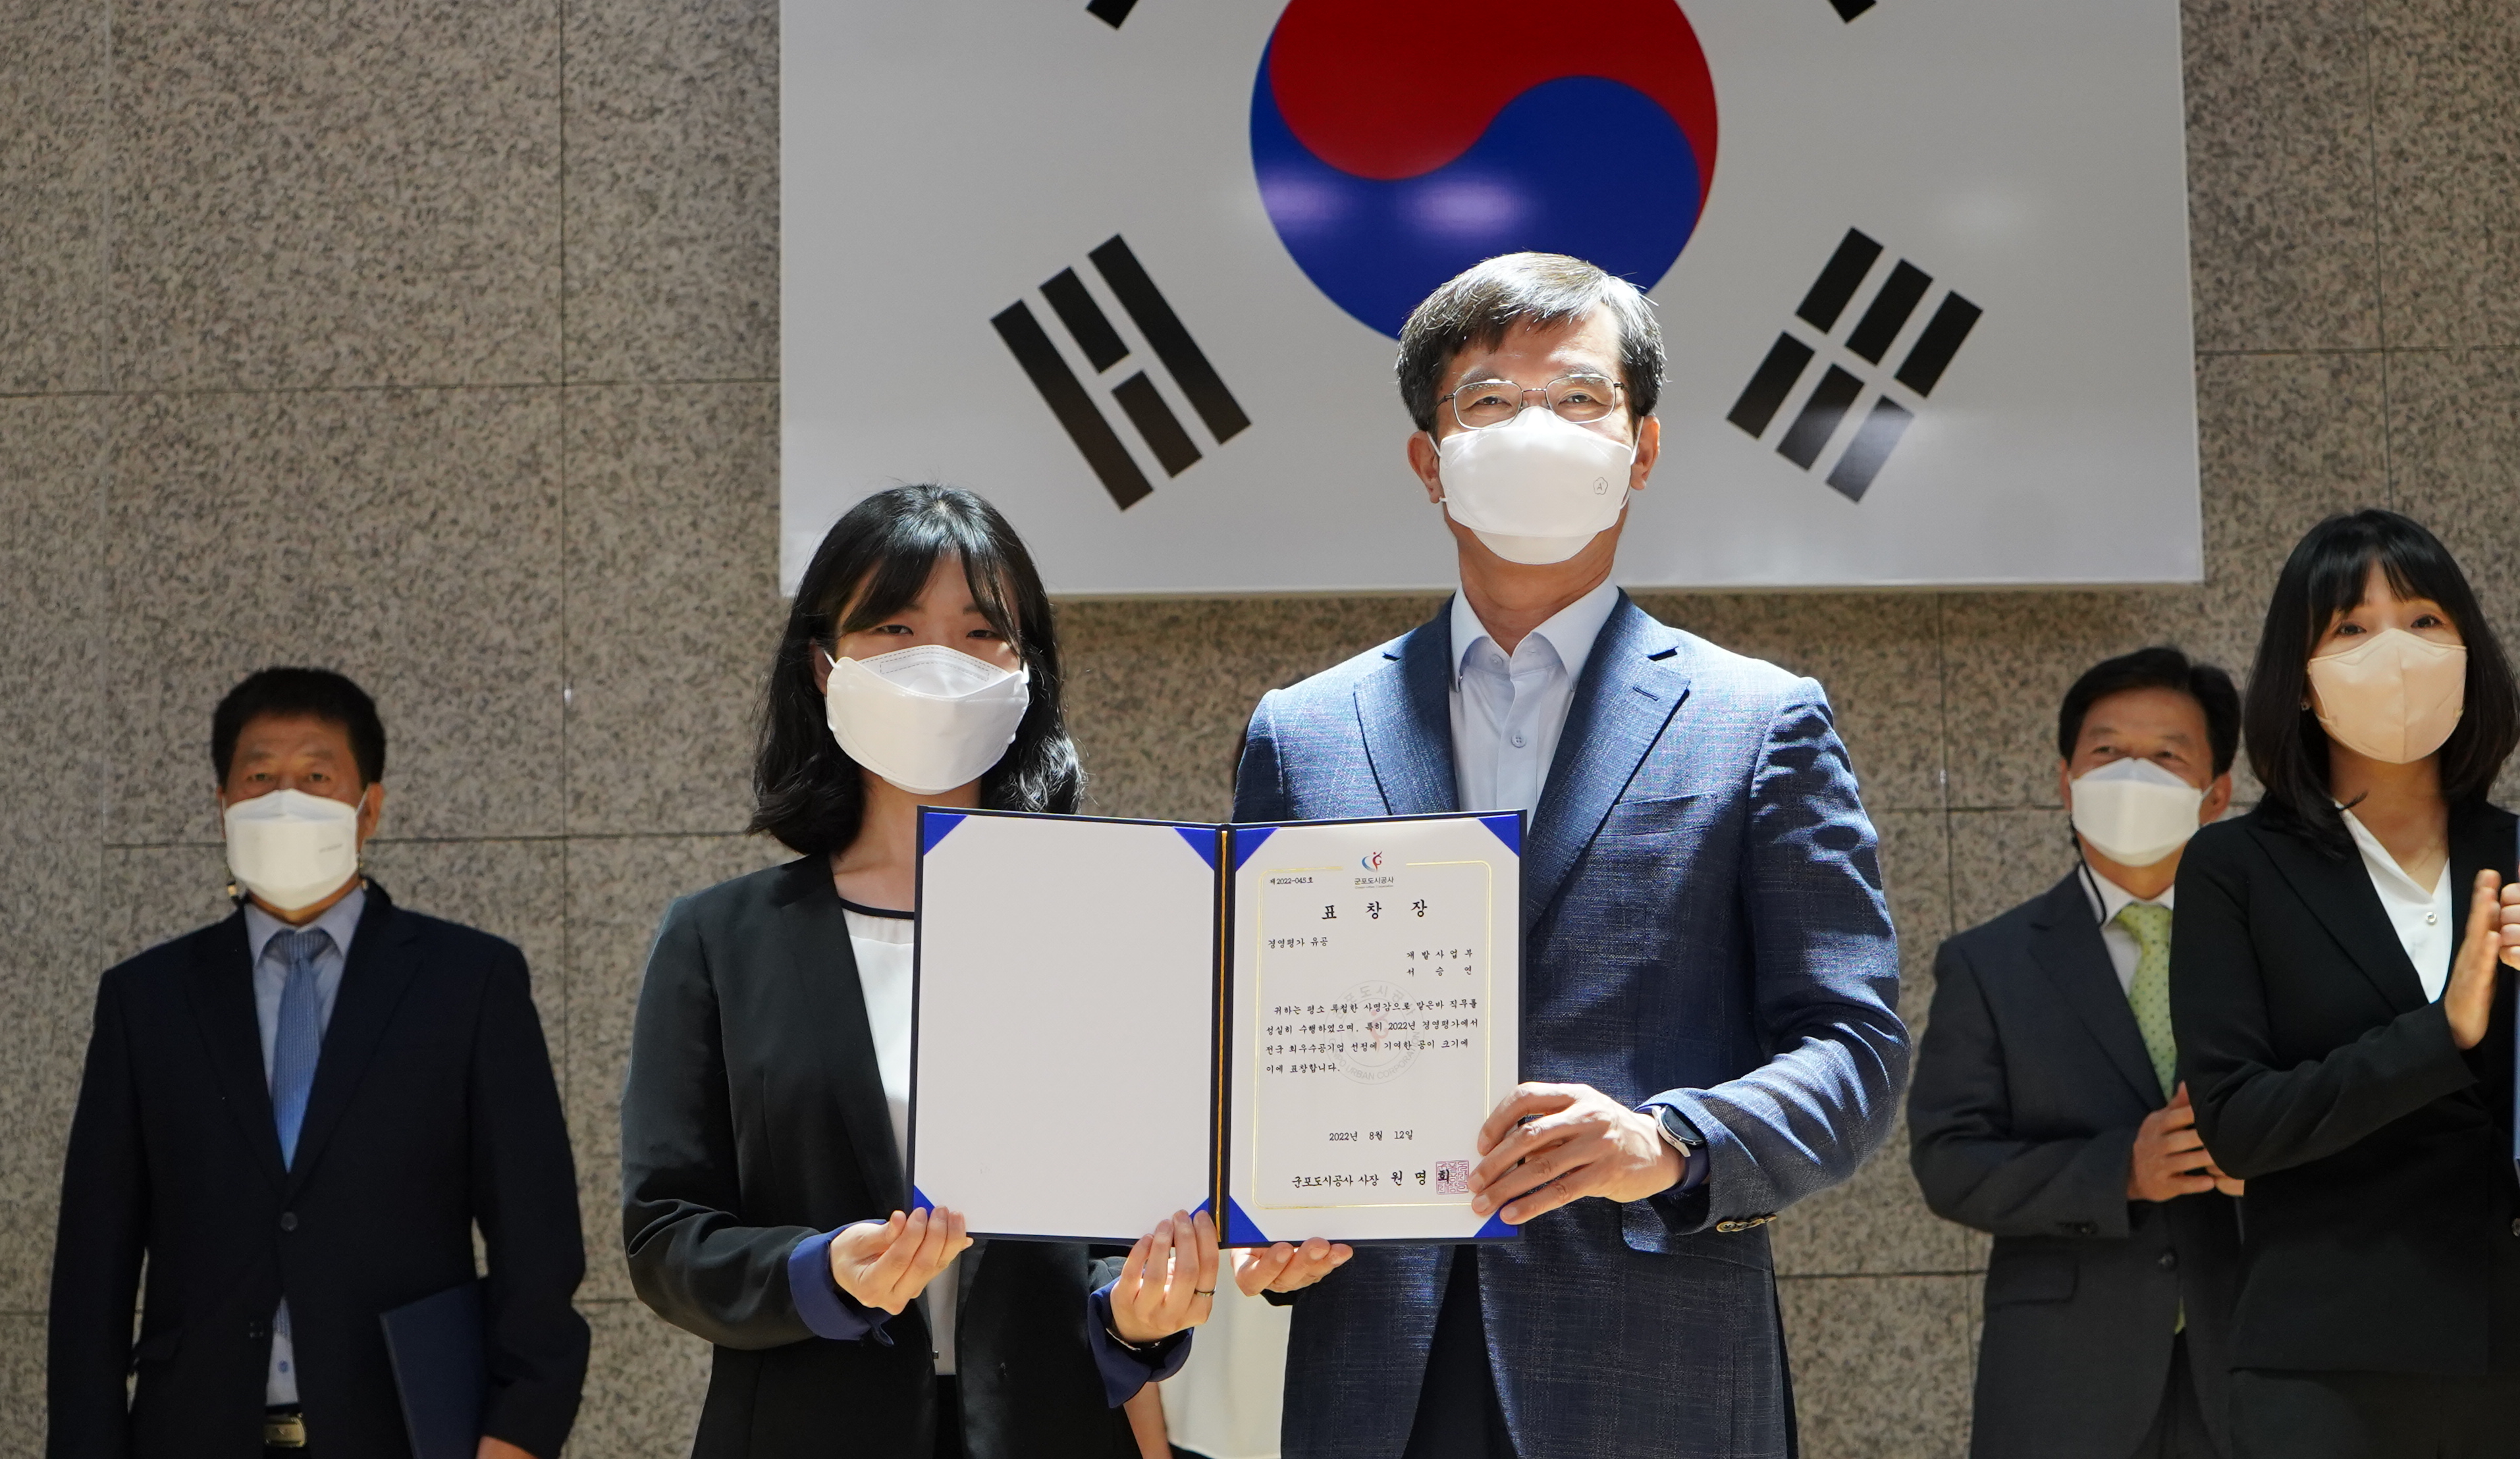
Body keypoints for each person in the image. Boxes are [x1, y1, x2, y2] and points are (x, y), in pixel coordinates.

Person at [1227, 252, 1908, 1459]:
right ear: (1429, 461)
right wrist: (1260, 1216)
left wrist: (1672, 1141)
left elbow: (1855, 1050)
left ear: (1643, 450)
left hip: (1655, 1367)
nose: (1535, 427)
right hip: (1377, 1367)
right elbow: (1253, 1053)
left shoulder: (1758, 720)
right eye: (1489, 401)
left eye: (1581, 398)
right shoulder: (1306, 732)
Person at [621, 484, 1218, 1459]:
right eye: (894, 628)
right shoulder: (720, 938)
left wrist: (1137, 1315)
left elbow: (1125, 1230)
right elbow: (665, 1235)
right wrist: (821, 1271)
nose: (939, 662)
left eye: (982, 634)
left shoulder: (1100, 926)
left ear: (1025, 674)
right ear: (824, 665)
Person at [47, 668, 590, 1458]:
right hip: (190, 1431)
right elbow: (92, 1268)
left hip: (408, 1431)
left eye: (316, 776)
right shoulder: (148, 999)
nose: (285, 799)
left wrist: (518, 1431)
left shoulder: (468, 981)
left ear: (368, 806)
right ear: (223, 805)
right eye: (260, 777)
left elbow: (536, 1233)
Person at [2173, 510, 2520, 1458]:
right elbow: (2236, 1122)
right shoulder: (2234, 869)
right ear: (2300, 678)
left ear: (2468, 653)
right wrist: (2441, 1032)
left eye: (2424, 620)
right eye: (2351, 628)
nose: (2396, 652)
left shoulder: (2514, 852)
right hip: (2323, 1360)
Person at [1909, 647, 2247, 1459]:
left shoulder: (2271, 947)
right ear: (2066, 781)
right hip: (2064, 1381)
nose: (2134, 774)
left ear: (2217, 793)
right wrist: (2121, 1170)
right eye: (2108, 751)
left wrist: (2269, 1165)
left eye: (2166, 754)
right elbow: (1950, 1161)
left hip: (2252, 1363)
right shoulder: (1989, 962)